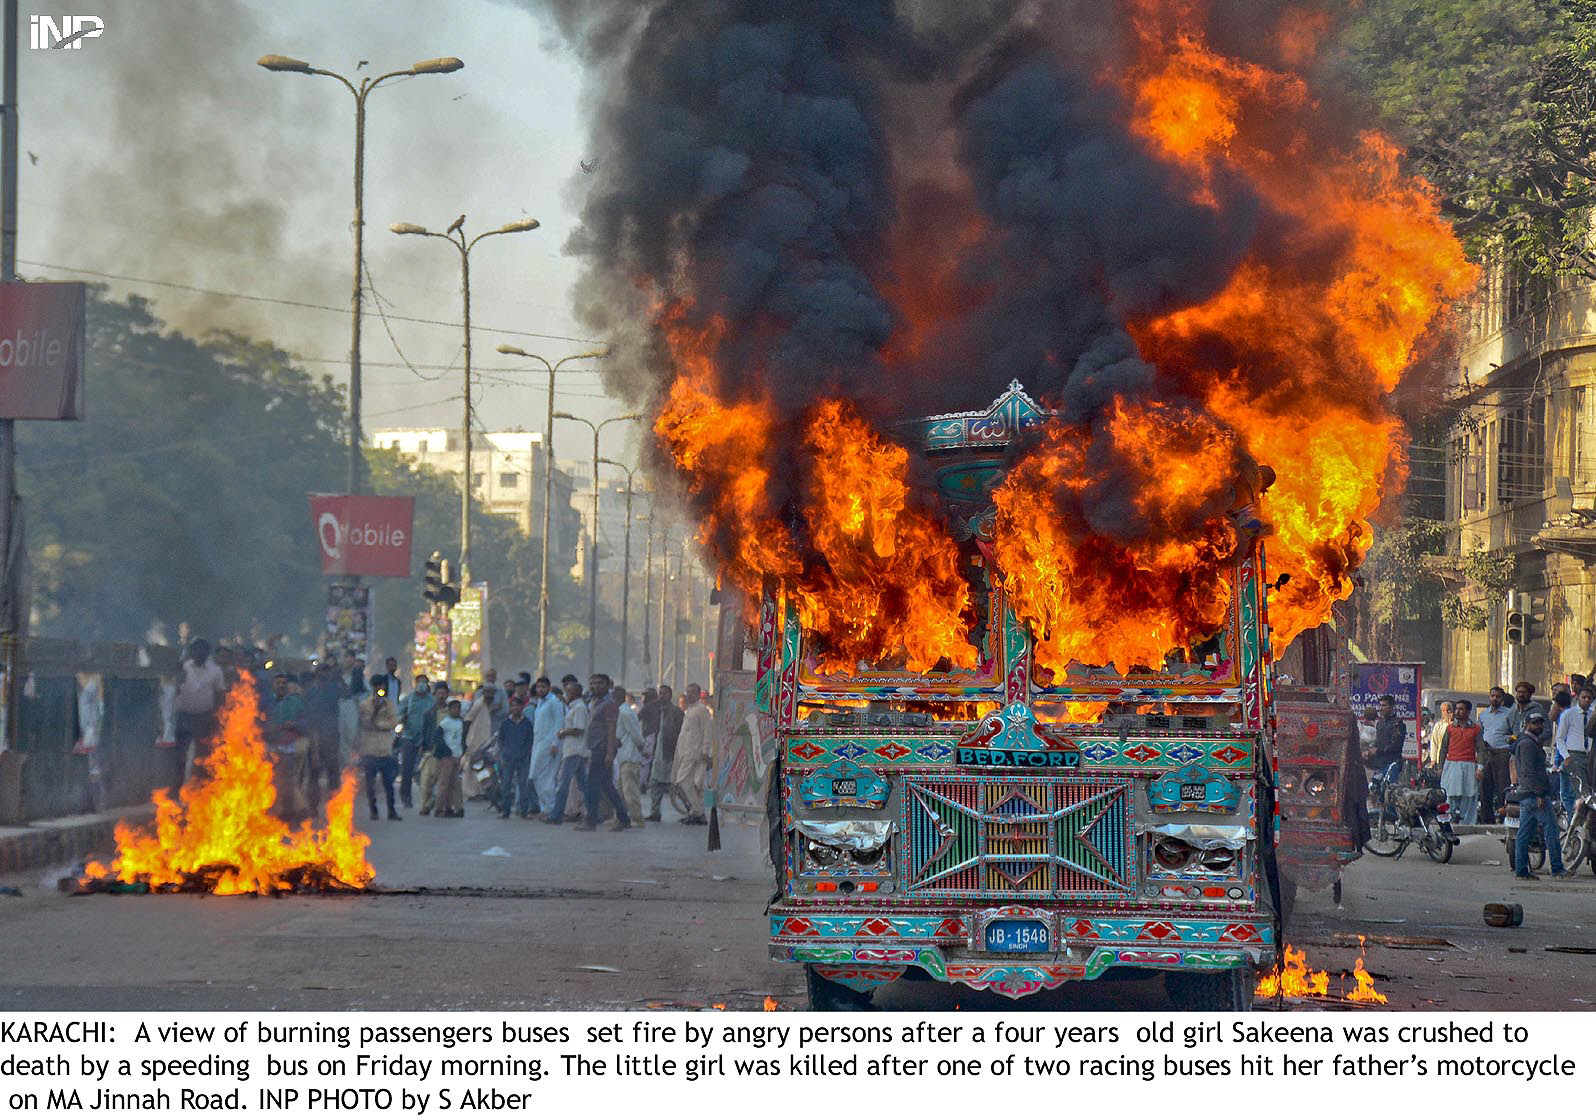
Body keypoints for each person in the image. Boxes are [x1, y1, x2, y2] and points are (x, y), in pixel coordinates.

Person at [1511, 711, 1571, 880]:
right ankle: (1557, 869)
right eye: (1535, 723)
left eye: (1540, 723)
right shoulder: (1527, 745)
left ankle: (1521, 871)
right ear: (1527, 725)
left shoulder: (1528, 742)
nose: (1539, 726)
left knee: (1524, 833)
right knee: (1551, 830)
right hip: (1535, 795)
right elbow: (1529, 772)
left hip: (1528, 794)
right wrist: (1539, 794)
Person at [579, 674, 631, 832]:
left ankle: (591, 820)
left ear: (608, 685)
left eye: (600, 683)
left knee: (592, 786)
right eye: (593, 683)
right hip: (596, 748)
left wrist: (609, 753)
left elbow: (611, 729)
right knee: (606, 785)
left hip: (602, 750)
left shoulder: (609, 704)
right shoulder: (594, 703)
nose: (595, 686)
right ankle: (623, 818)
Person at [173, 638, 227, 789]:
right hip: (184, 716)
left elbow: (220, 695)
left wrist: (217, 717)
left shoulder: (215, 671)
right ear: (192, 651)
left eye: (202, 650)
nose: (199, 653)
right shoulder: (183, 668)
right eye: (196, 650)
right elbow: (174, 689)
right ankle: (177, 788)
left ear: (207, 653)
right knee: (180, 755)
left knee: (203, 755)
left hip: (204, 718)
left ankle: (202, 788)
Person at [302, 659, 346, 818]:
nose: (323, 674)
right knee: (313, 774)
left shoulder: (334, 688)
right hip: (314, 735)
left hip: (331, 736)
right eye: (321, 671)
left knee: (333, 774)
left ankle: (335, 807)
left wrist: (338, 676)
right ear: (316, 673)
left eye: (326, 671)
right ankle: (313, 806)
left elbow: (348, 693)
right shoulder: (310, 691)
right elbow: (307, 714)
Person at [261, 673, 308, 821]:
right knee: (270, 779)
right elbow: (257, 721)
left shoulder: (297, 702)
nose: (281, 685)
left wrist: (294, 725)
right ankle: (274, 810)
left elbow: (306, 722)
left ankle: (292, 811)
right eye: (278, 683)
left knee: (287, 779)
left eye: (284, 683)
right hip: (270, 746)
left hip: (289, 746)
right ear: (273, 686)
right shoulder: (265, 702)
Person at [545, 679, 590, 825]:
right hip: (572, 750)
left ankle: (556, 815)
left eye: (568, 692)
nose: (566, 694)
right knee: (583, 785)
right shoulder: (573, 707)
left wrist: (563, 732)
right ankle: (594, 812)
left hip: (574, 751)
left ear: (575, 693)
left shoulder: (580, 708)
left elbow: (579, 729)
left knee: (563, 784)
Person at [358, 674, 401, 821]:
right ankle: (373, 810)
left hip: (385, 749)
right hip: (369, 749)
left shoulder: (389, 704)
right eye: (376, 686)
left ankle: (392, 811)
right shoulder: (365, 705)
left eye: (381, 686)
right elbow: (365, 723)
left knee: (388, 784)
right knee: (370, 784)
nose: (379, 689)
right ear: (372, 687)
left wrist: (380, 725)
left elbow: (394, 722)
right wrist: (376, 711)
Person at [672, 683, 714, 825]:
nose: (689, 695)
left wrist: (705, 751)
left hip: (695, 753)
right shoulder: (689, 710)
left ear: (697, 694)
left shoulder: (702, 710)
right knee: (694, 785)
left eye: (692, 692)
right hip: (685, 752)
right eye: (687, 692)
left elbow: (708, 731)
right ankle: (697, 813)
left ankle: (697, 811)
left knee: (682, 781)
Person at [1436, 699, 1483, 825]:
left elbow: (1480, 749)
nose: (1457, 711)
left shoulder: (1476, 729)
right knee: (1449, 794)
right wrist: (1440, 766)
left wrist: (1480, 768)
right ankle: (1447, 822)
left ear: (1468, 711)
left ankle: (1467, 824)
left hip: (1469, 765)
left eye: (1461, 709)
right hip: (1451, 765)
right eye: (1456, 709)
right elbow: (1443, 748)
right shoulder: (1450, 728)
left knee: (1469, 795)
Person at [394, 675, 435, 809]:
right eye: (419, 682)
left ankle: (428, 798)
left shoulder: (431, 701)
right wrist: (402, 718)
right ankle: (406, 797)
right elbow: (398, 715)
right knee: (407, 768)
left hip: (426, 738)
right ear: (415, 684)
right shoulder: (408, 699)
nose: (422, 684)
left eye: (424, 682)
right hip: (409, 737)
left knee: (428, 770)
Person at [1477, 686, 1515, 824]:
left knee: (1502, 787)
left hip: (1502, 753)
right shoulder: (1483, 715)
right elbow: (1479, 734)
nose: (1495, 698)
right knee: (1485, 788)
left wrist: (1510, 740)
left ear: (1502, 698)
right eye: (1492, 696)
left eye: (1498, 696)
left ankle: (1504, 818)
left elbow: (1515, 733)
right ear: (1489, 697)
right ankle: (1487, 819)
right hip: (1487, 753)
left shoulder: (1509, 713)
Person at [462, 679, 503, 803]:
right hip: (474, 740)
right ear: (483, 693)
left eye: (492, 693)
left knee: (482, 766)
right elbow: (468, 719)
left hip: (484, 741)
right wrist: (465, 739)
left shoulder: (487, 705)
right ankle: (471, 792)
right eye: (487, 692)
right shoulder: (478, 704)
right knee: (471, 767)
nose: (490, 695)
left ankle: (480, 791)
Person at [497, 697, 538, 819]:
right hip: (508, 759)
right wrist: (503, 753)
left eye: (517, 706)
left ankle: (524, 811)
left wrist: (526, 753)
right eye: (512, 706)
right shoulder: (505, 723)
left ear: (522, 708)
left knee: (523, 785)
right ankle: (505, 811)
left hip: (523, 759)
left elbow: (530, 740)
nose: (515, 708)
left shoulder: (527, 724)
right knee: (506, 786)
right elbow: (501, 740)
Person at [648, 684, 684, 822]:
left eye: (664, 693)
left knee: (674, 785)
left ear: (670, 695)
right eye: (660, 693)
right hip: (658, 753)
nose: (661, 696)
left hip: (670, 752)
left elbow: (680, 733)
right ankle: (655, 812)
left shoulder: (676, 712)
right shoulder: (657, 711)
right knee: (655, 783)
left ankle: (692, 809)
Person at [1555, 684, 1591, 816]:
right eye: (1584, 697)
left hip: (1589, 756)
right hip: (1573, 755)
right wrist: (1566, 756)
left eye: (1589, 698)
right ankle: (1574, 820)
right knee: (1579, 793)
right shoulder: (1568, 714)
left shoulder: (1592, 716)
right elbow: (1559, 738)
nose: (1586, 700)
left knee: (1587, 793)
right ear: (1578, 698)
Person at [530, 676, 563, 817]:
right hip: (538, 744)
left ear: (549, 688)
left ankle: (550, 809)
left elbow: (559, 723)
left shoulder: (554, 702)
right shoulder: (540, 703)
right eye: (538, 687)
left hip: (550, 745)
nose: (540, 689)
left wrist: (555, 743)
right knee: (536, 776)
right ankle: (545, 808)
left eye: (543, 687)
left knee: (547, 777)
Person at [614, 686, 647, 826]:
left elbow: (635, 733)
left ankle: (637, 818)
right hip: (624, 756)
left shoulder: (625, 712)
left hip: (630, 756)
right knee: (621, 790)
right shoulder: (622, 711)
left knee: (630, 790)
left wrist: (642, 747)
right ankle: (622, 817)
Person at [1364, 694, 1406, 776]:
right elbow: (1378, 741)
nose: (1381, 708)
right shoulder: (1380, 723)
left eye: (1384, 705)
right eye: (1380, 705)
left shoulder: (1397, 724)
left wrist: (1379, 750)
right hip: (1379, 763)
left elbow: (1396, 745)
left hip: (1392, 763)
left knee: (1389, 787)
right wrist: (1370, 751)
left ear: (1392, 707)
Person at [1425, 701, 1454, 768]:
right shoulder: (1438, 726)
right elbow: (1434, 743)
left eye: (1448, 710)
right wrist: (1433, 760)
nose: (1446, 712)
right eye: (1444, 710)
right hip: (1440, 760)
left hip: (1453, 760)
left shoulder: (1456, 725)